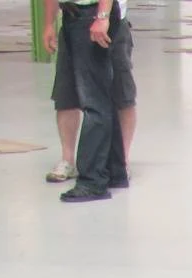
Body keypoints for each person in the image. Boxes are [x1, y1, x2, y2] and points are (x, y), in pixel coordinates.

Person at [42, 0, 136, 184]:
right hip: (72, 20)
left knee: (120, 93)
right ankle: (67, 159)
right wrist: (48, 24)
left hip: (109, 20)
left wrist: (103, 17)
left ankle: (121, 161)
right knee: (66, 93)